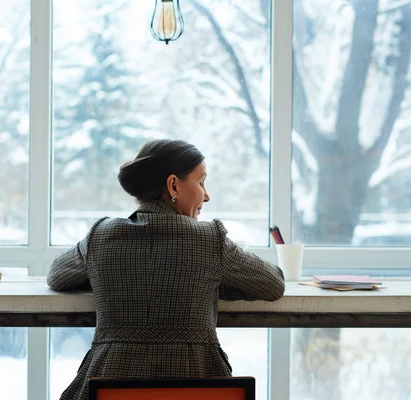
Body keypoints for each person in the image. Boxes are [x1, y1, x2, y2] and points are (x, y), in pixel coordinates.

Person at [47, 139, 285, 400]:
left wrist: (109, 275)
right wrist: (208, 280)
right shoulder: (209, 240)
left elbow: (56, 275)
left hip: (112, 386)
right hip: (196, 387)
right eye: (201, 182)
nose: (206, 196)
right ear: (173, 185)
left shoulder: (102, 236)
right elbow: (273, 283)